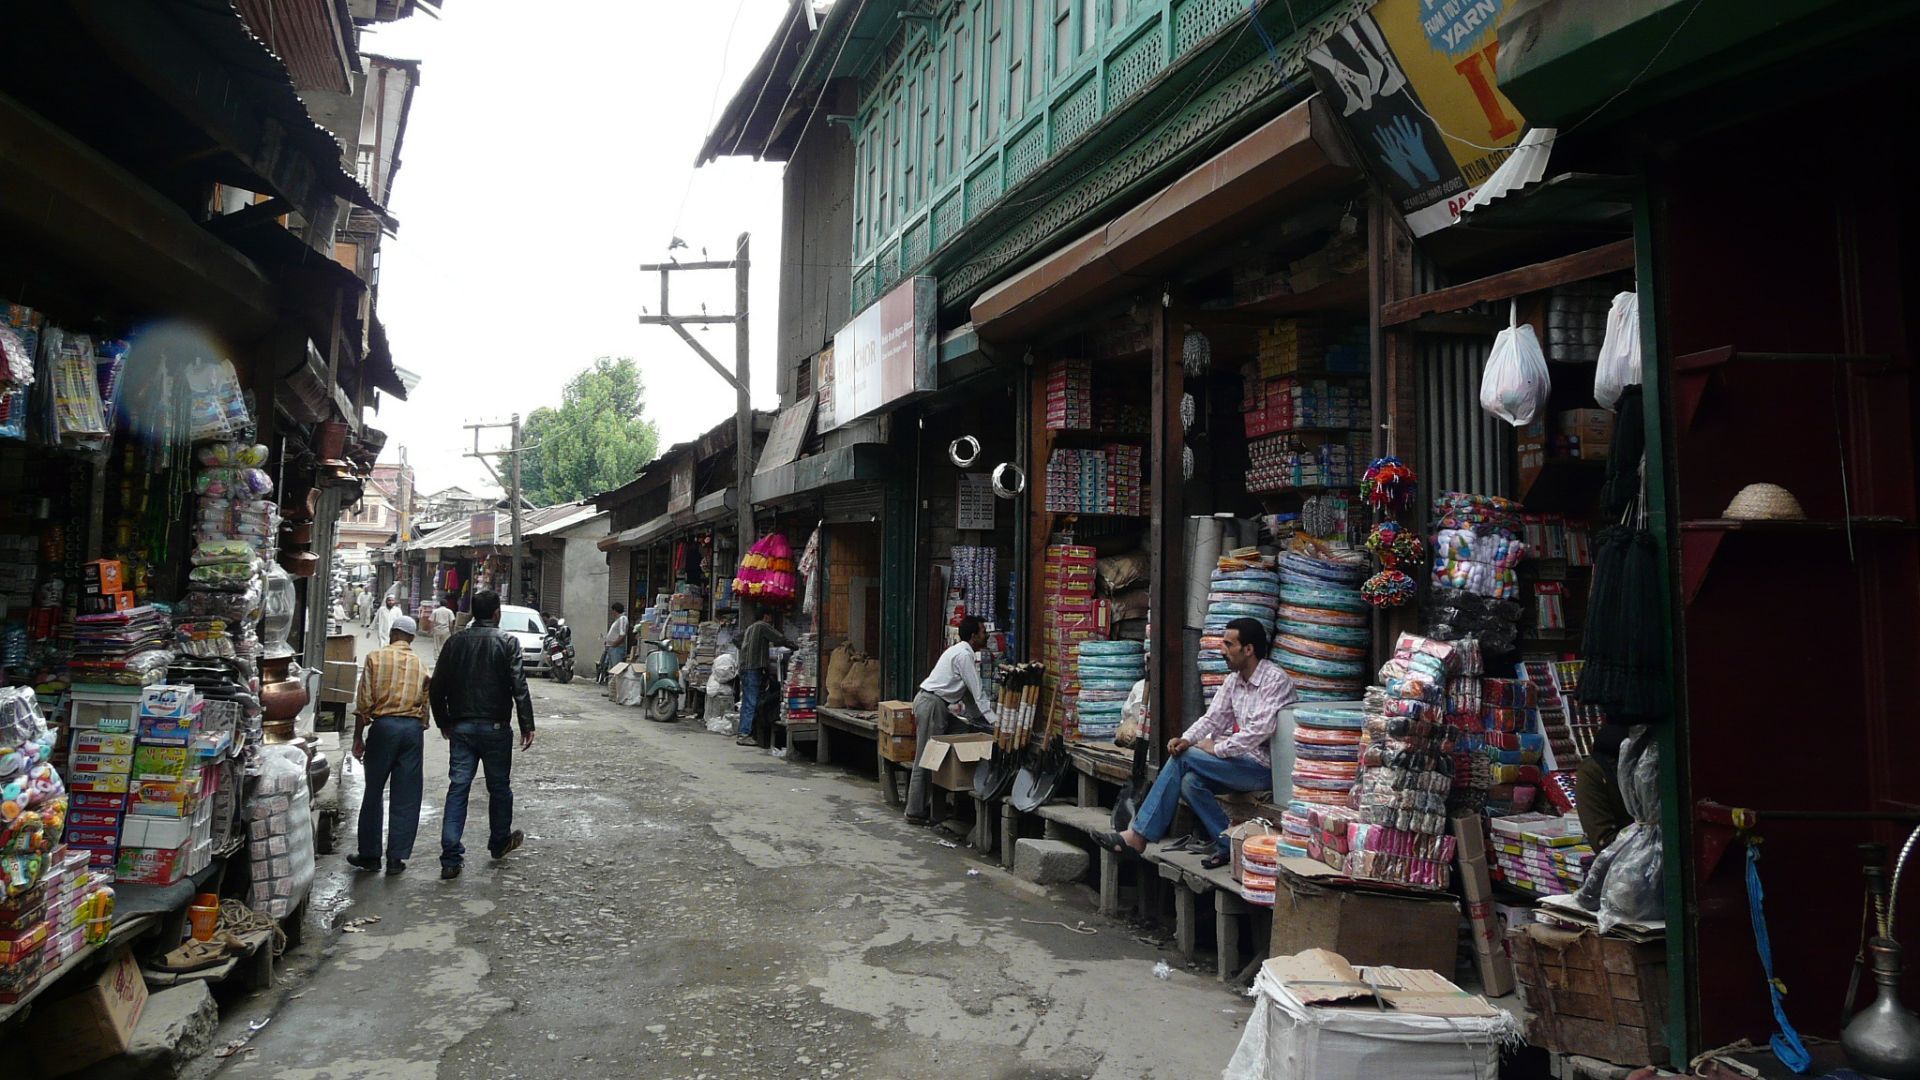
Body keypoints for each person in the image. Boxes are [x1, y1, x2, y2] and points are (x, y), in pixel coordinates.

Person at [1093, 618, 1294, 869]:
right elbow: (1212, 719)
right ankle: (1227, 844)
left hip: (1263, 770)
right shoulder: (1234, 680)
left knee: (1185, 758)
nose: (1222, 650)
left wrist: (1216, 749)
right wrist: (1187, 738)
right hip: (1237, 763)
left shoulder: (1274, 680)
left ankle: (1139, 836)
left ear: (1248, 649)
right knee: (1190, 783)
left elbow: (1258, 732)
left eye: (1228, 644)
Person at [429, 589, 534, 880]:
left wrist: (443, 720)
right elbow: (519, 685)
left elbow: (437, 686)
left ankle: (451, 857)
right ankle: (499, 840)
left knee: (458, 788)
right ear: (497, 613)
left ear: (473, 612)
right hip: (496, 728)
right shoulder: (507, 642)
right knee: (499, 788)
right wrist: (527, 724)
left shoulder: (455, 642)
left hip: (461, 727)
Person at [347, 615, 431, 875]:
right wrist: (417, 728)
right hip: (412, 730)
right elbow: (425, 709)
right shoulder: (422, 665)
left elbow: (364, 703)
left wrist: (358, 738)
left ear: (393, 633)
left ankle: (370, 856)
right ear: (412, 639)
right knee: (407, 796)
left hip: (383, 728)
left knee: (373, 791)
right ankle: (396, 858)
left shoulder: (375, 658)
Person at [906, 616, 1000, 825]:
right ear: (974, 636)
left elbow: (968, 696)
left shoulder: (961, 652)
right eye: (983, 631)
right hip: (932, 704)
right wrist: (994, 722)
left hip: (935, 704)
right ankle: (914, 810)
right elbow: (977, 692)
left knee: (963, 731)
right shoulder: (964, 655)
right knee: (926, 755)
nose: (987, 635)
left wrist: (979, 721)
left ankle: (940, 796)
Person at [735, 610, 790, 747]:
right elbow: (779, 638)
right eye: (770, 619)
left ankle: (746, 732)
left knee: (750, 700)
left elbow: (736, 639)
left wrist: (746, 650)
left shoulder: (750, 628)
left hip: (746, 668)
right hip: (753, 668)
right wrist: (795, 647)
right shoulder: (761, 626)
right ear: (765, 616)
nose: (770, 622)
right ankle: (744, 734)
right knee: (751, 701)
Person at [600, 602, 629, 684]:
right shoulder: (617, 620)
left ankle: (617, 691)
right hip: (612, 648)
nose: (612, 613)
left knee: (616, 670)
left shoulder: (622, 619)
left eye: (613, 611)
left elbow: (622, 634)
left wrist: (614, 644)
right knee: (612, 670)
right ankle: (612, 690)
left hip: (616, 649)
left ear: (615, 610)